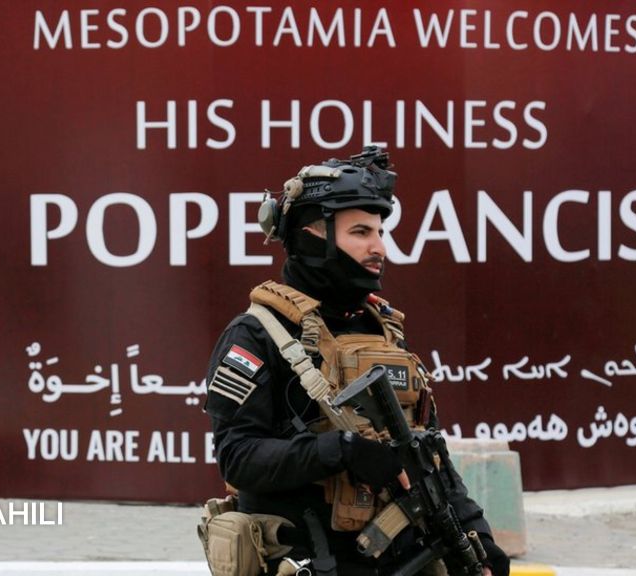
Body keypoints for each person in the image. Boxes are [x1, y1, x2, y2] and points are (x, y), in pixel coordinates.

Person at [201, 147, 508, 575]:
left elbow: (429, 455)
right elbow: (238, 456)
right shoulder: (258, 334)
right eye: (361, 232)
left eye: (380, 231)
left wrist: (478, 536)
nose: (378, 247)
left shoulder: (385, 331)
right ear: (311, 236)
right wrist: (339, 450)